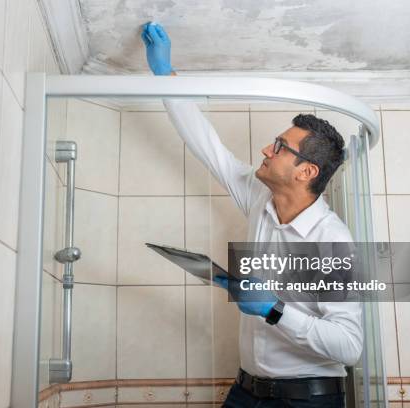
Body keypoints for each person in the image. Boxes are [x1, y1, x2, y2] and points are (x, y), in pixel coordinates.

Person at [141, 22, 363, 408]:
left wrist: (274, 310)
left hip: (307, 400)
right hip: (246, 393)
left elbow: (349, 347)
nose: (265, 149)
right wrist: (166, 77)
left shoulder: (332, 242)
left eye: (279, 146)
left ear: (306, 171)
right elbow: (207, 145)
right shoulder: (261, 197)